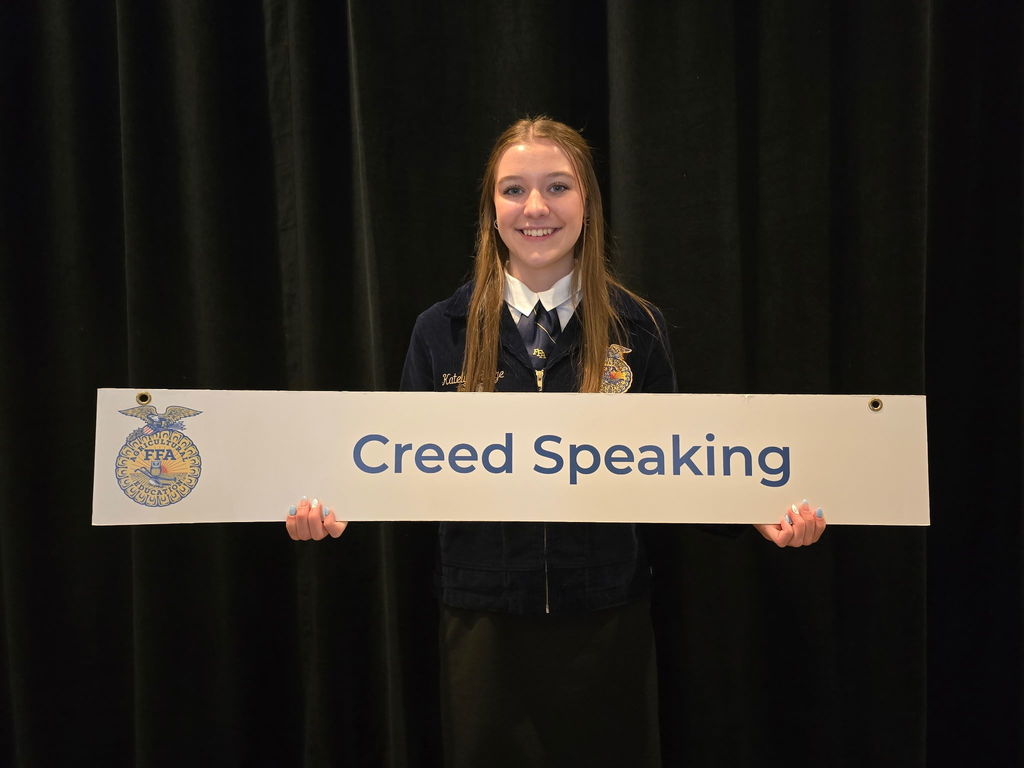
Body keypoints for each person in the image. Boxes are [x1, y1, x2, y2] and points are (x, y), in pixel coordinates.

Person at [285, 116, 826, 767]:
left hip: (606, 620)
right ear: (491, 209)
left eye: (556, 186)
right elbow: (398, 469)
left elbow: (679, 471)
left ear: (587, 202)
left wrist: (756, 511)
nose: (535, 207)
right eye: (513, 189)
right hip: (483, 623)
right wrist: (334, 510)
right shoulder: (441, 331)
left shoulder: (638, 327)